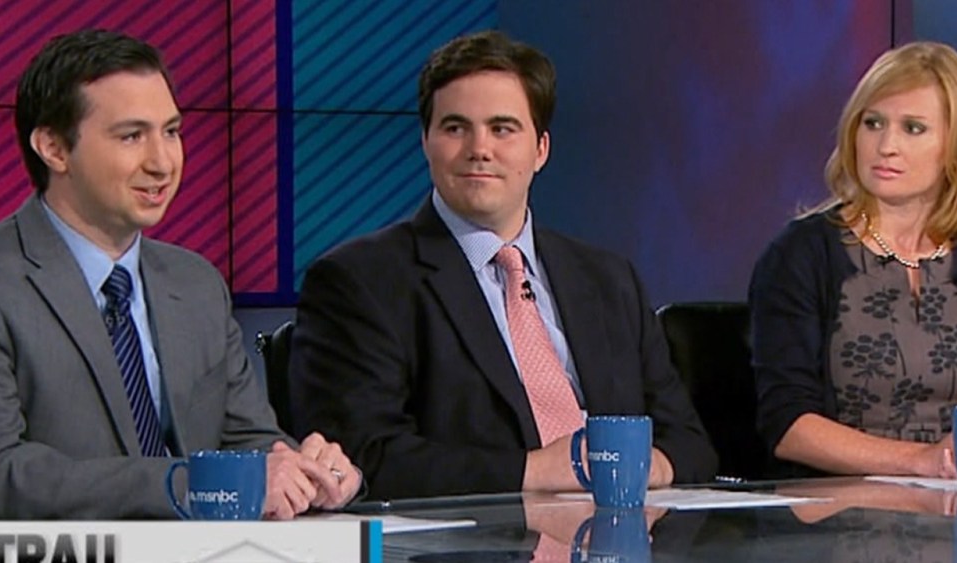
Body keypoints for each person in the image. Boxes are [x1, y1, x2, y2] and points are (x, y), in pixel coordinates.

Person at [289, 30, 716, 499]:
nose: (479, 149)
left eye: (502, 129)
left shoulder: (609, 280)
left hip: (623, 527)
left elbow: (690, 443)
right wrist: (536, 471)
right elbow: (364, 456)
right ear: (426, 141)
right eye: (455, 128)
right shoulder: (360, 281)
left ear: (541, 150)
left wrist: (645, 468)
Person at [0, 29, 361, 519]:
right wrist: (190, 485)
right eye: (131, 136)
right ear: (54, 147)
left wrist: (309, 472)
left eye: (171, 132)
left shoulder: (195, 283)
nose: (163, 163)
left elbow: (247, 441)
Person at [750, 41, 957, 478]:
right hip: (835, 506)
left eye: (913, 128)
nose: (886, 145)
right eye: (873, 123)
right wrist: (921, 461)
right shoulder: (801, 255)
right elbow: (786, 423)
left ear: (956, 147)